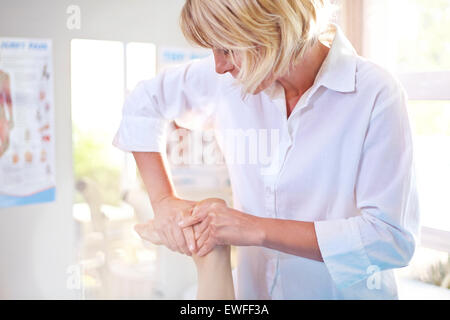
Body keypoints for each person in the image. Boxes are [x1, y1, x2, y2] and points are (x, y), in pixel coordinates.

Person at [113, 0, 420, 299]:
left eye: (228, 48)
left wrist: (253, 228)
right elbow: (144, 103)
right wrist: (163, 201)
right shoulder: (229, 78)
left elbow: (390, 239)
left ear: (275, 29)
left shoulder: (375, 94)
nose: (219, 66)